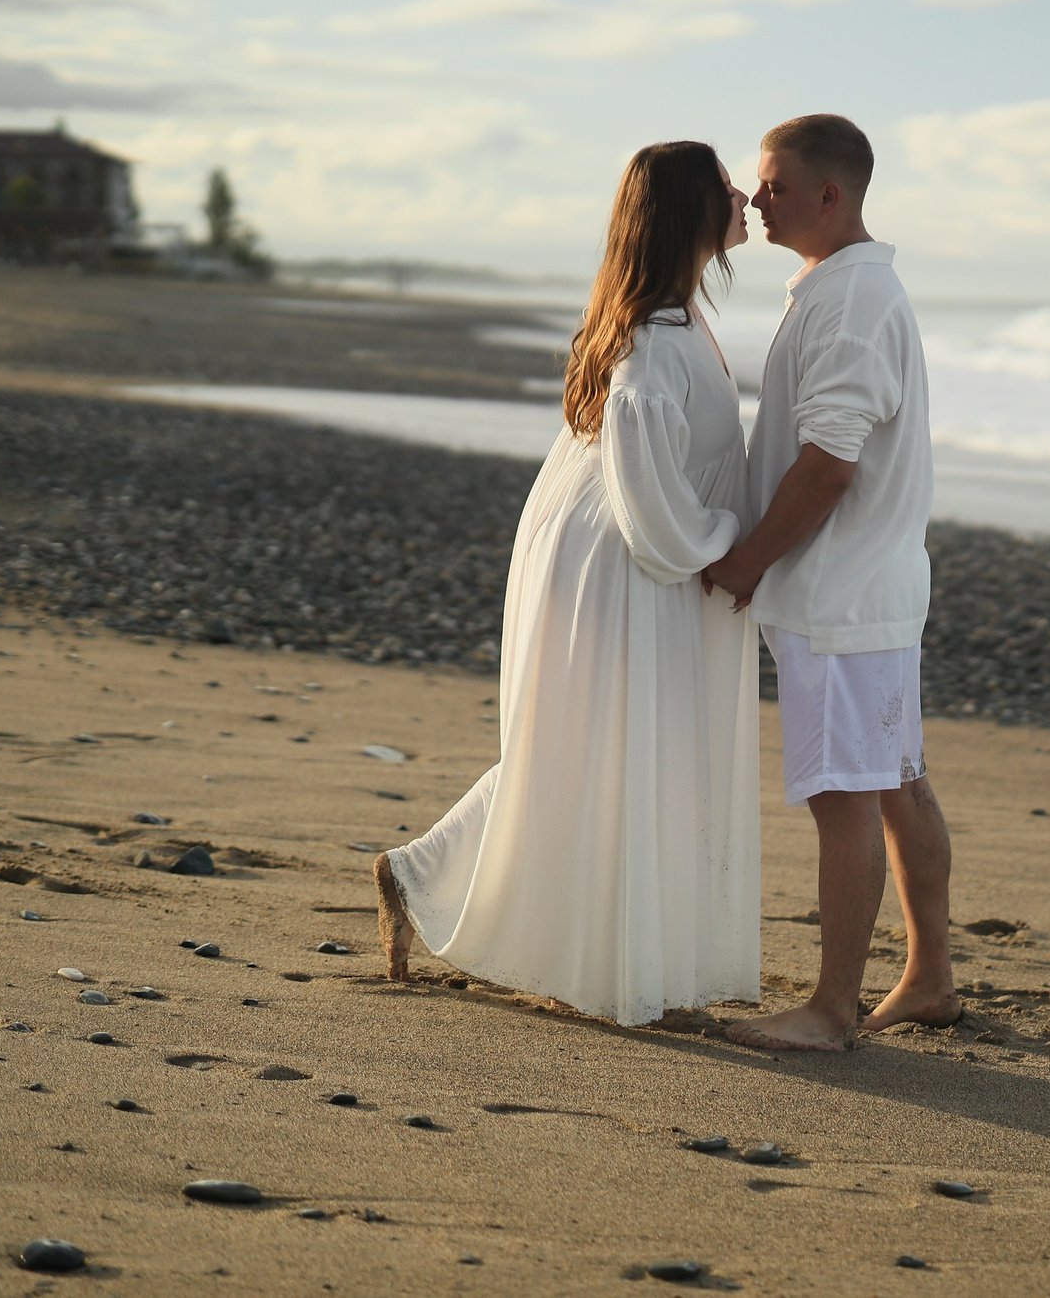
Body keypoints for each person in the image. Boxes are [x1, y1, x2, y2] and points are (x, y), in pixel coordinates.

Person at [373, 141, 761, 1027]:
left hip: (621, 547)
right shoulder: (653, 341)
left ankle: (420, 872)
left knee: (596, 751)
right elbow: (650, 500)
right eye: (725, 186)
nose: (743, 195)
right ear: (690, 212)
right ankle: (604, 967)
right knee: (605, 752)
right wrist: (726, 546)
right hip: (620, 558)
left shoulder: (677, 318)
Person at [708, 113, 955, 1052]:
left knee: (846, 795)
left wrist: (747, 560)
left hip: (840, 593)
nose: (756, 197)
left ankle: (830, 1009)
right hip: (873, 586)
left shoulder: (850, 301)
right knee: (896, 780)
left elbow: (828, 466)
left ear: (829, 193)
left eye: (773, 184)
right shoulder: (845, 287)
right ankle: (929, 977)